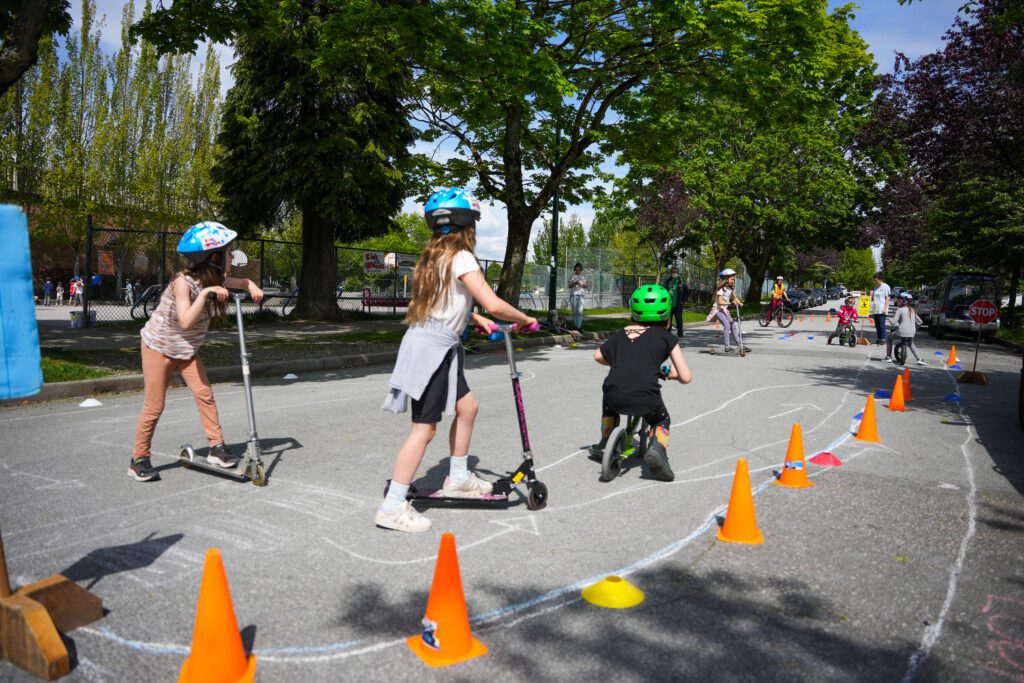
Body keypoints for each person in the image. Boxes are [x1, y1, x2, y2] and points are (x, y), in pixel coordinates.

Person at [378, 187, 538, 532]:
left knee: (468, 408)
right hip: (432, 350)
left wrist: (475, 318)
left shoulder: (433, 257)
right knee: (424, 429)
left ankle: (459, 476)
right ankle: (391, 508)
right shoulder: (463, 257)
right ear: (468, 225)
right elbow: (493, 301)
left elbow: (447, 301)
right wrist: (523, 318)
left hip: (437, 343)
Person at [128, 221, 264, 482]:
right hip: (159, 348)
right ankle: (139, 458)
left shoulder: (217, 279)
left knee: (205, 394)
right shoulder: (183, 283)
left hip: (187, 350)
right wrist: (205, 295)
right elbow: (185, 320)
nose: (232, 257)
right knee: (154, 405)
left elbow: (242, 281)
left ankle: (216, 448)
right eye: (228, 253)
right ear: (213, 257)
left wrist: (250, 285)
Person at [587, 284, 692, 481]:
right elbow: (685, 376)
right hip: (646, 399)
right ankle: (657, 450)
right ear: (667, 315)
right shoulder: (667, 338)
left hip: (614, 396)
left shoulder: (620, 334)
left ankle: (605, 440)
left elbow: (597, 356)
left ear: (633, 312)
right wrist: (670, 374)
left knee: (609, 396)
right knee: (661, 420)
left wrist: (621, 361)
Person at [707, 268, 747, 353]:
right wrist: (730, 303)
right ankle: (727, 346)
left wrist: (739, 303)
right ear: (726, 279)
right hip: (718, 310)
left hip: (724, 310)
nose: (733, 281)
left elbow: (735, 297)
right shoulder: (722, 290)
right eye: (732, 279)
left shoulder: (730, 289)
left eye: (734, 279)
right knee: (727, 325)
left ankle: (740, 344)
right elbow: (720, 302)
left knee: (733, 325)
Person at [885, 292, 926, 365]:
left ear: (903, 301)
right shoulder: (913, 310)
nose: (897, 301)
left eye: (899, 300)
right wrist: (915, 330)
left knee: (889, 338)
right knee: (910, 343)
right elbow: (920, 322)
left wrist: (889, 318)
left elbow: (893, 322)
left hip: (901, 331)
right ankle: (919, 359)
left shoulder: (900, 310)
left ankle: (889, 357)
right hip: (912, 333)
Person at [662, 266, 687, 336]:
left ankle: (680, 332)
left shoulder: (681, 282)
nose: (674, 274)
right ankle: (668, 333)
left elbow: (686, 292)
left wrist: (683, 301)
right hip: (668, 304)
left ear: (678, 273)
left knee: (679, 319)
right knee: (668, 319)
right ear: (671, 273)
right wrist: (667, 292)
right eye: (673, 272)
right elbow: (663, 291)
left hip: (678, 304)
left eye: (676, 273)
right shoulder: (667, 282)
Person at [870, 271, 891, 345]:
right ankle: (879, 338)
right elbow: (873, 298)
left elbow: (888, 299)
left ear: (880, 279)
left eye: (876, 280)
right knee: (877, 325)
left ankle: (883, 339)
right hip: (876, 308)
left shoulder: (886, 287)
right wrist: (871, 309)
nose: (875, 282)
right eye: (874, 280)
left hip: (882, 309)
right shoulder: (875, 287)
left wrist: (885, 309)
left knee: (882, 325)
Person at [568, 262, 588, 330]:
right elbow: (569, 286)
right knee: (574, 311)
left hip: (581, 295)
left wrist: (581, 284)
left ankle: (578, 326)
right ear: (575, 269)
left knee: (580, 311)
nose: (577, 271)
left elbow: (586, 286)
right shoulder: (572, 276)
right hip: (573, 294)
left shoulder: (583, 276)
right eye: (576, 269)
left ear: (581, 270)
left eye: (579, 269)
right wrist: (575, 283)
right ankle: (575, 325)